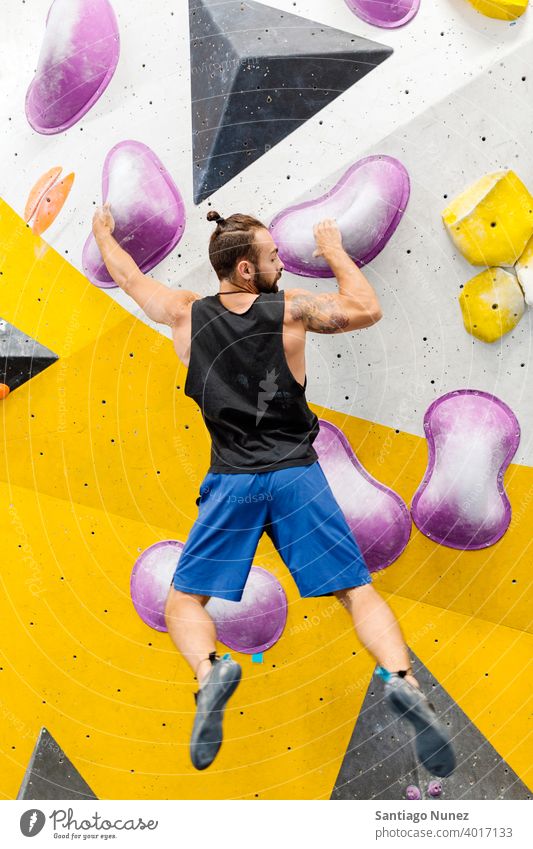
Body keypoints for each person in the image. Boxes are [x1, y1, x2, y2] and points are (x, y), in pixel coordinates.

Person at [92, 204, 455, 778]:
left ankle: (210, 674)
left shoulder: (185, 315)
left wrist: (101, 235)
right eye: (271, 257)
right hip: (296, 477)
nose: (281, 264)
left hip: (232, 481)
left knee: (184, 601)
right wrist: (334, 250)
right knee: (356, 592)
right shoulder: (290, 313)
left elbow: (130, 279)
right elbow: (367, 307)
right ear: (244, 270)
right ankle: (403, 680)